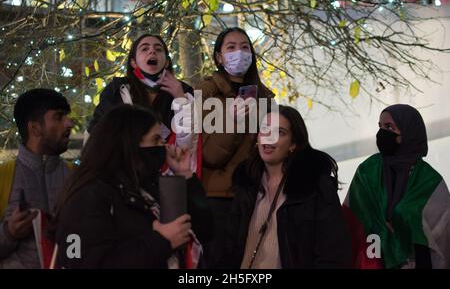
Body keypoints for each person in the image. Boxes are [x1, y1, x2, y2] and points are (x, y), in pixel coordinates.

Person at [53, 104, 212, 268]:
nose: (164, 146)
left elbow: (204, 230)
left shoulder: (147, 186)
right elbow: (86, 264)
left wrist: (184, 175)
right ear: (129, 144)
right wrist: (161, 241)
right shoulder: (88, 196)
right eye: (155, 139)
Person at [221, 105, 352, 268]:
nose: (269, 137)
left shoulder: (315, 187)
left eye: (279, 132)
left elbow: (334, 254)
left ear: (293, 144)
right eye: (264, 130)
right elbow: (226, 248)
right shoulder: (246, 183)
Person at [195, 27, 274, 267]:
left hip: (257, 197)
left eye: (245, 47)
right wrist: (234, 120)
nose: (239, 53)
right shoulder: (205, 93)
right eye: (231, 47)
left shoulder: (264, 97)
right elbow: (209, 154)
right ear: (219, 56)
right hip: (218, 198)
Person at [343, 104, 450, 269]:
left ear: (409, 132)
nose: (382, 133)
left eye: (389, 127)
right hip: (375, 259)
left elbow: (443, 235)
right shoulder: (368, 170)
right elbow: (351, 219)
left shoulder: (429, 180)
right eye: (380, 126)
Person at [88, 33, 198, 173]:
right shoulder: (117, 91)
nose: (152, 51)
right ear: (133, 62)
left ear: (167, 62)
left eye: (158, 49)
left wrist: (180, 99)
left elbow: (186, 147)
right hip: (119, 173)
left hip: (163, 176)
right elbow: (98, 135)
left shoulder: (185, 94)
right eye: (144, 49)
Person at [0, 88, 74, 268]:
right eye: (59, 117)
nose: (69, 123)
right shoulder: (3, 177)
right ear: (35, 127)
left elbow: (92, 241)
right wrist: (9, 233)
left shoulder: (77, 177)